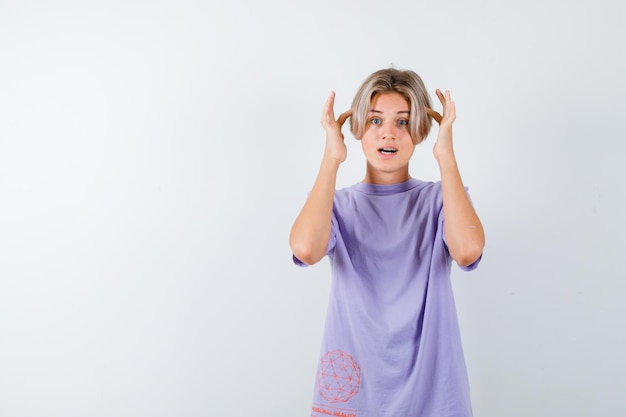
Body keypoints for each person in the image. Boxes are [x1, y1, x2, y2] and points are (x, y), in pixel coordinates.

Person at [289, 68, 485, 417]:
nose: (389, 134)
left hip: (435, 395)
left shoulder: (440, 200)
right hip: (355, 395)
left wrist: (446, 157)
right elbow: (305, 249)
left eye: (404, 122)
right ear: (358, 127)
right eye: (376, 121)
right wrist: (332, 158)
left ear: (421, 130)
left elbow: (468, 250)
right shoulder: (336, 205)